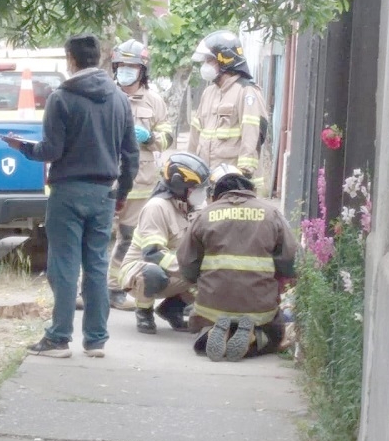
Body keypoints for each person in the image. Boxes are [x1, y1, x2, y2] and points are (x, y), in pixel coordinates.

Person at [0, 34, 139, 358]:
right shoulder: (119, 99)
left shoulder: (61, 98)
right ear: (98, 58)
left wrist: (23, 147)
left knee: (64, 265)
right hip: (104, 192)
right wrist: (123, 192)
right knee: (97, 264)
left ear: (70, 59)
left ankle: (59, 338)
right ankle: (96, 340)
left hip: (68, 192)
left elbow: (52, 150)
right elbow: (131, 154)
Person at [176, 164, 299, 362]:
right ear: (250, 189)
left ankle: (212, 331)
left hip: (212, 304)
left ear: (216, 193)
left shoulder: (204, 215)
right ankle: (254, 336)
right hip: (258, 306)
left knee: (205, 320)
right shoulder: (270, 214)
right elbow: (290, 258)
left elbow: (186, 261)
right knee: (275, 334)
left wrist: (197, 281)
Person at [107, 39, 173, 311]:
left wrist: (150, 137)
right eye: (121, 66)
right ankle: (88, 291)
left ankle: (114, 289)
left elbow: (167, 137)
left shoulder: (155, 101)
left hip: (140, 184)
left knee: (128, 238)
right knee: (95, 238)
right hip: (106, 179)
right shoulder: (105, 95)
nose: (126, 71)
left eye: (132, 66)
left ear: (142, 70)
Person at [118, 152, 209, 334]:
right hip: (140, 270)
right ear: (179, 185)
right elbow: (153, 253)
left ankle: (172, 309)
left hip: (174, 268)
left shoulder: (196, 207)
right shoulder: (157, 207)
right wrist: (191, 267)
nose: (201, 193)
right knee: (153, 273)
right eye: (196, 188)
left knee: (211, 268)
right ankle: (144, 311)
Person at [188, 30, 269, 194]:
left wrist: (243, 176)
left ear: (225, 59)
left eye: (209, 60)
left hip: (235, 185)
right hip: (209, 182)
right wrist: (189, 167)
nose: (205, 65)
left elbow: (252, 136)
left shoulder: (246, 92)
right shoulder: (208, 93)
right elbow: (195, 136)